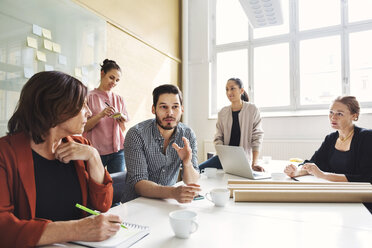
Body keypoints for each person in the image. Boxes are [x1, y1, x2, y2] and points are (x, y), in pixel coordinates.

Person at [0, 71, 122, 248]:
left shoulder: (81, 145)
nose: (88, 112)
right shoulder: (5, 153)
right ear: (56, 108)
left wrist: (94, 156)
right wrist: (76, 230)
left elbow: (102, 205)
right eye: (82, 105)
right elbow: (3, 228)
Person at [122, 84, 201, 203]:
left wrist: (187, 163)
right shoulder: (136, 134)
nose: (170, 113)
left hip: (166, 202)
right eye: (164, 107)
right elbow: (138, 183)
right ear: (153, 109)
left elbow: (192, 181)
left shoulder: (188, 134)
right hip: (136, 203)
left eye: (175, 107)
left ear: (182, 109)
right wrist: (173, 193)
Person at [284, 96, 372, 183]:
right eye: (331, 112)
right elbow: (314, 164)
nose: (333, 117)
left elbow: (366, 177)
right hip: (334, 189)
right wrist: (296, 172)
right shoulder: (331, 138)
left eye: (339, 114)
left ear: (354, 116)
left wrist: (323, 175)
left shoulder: (366, 137)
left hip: (358, 192)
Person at [199, 78, 265, 172]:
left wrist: (254, 163)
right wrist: (223, 156)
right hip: (223, 159)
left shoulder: (252, 110)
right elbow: (218, 137)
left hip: (243, 160)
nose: (229, 92)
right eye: (227, 89)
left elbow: (257, 137)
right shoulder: (222, 112)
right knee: (197, 170)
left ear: (241, 90)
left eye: (232, 88)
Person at [84, 59, 129, 173]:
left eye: (117, 80)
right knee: (94, 186)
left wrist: (121, 119)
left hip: (118, 152)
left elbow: (123, 129)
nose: (114, 82)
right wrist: (101, 115)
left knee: (118, 186)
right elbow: (84, 127)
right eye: (111, 77)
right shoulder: (88, 97)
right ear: (102, 73)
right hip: (95, 151)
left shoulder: (119, 99)